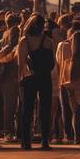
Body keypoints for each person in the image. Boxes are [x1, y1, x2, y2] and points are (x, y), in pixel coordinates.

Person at [18, 14, 54, 150]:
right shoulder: (48, 41)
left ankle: (26, 141)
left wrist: (20, 80)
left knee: (27, 109)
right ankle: (45, 140)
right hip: (45, 77)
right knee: (45, 109)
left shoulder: (24, 41)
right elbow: (52, 62)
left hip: (30, 77)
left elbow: (20, 65)